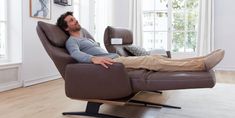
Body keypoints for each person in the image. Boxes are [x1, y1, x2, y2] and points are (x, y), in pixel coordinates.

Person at [56, 11, 224, 72]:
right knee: (152, 60)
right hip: (115, 63)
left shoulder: (85, 37)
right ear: (66, 28)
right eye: (71, 21)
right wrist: (93, 59)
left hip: (117, 59)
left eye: (74, 18)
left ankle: (201, 59)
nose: (75, 21)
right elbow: (75, 54)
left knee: (158, 59)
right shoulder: (72, 41)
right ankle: (201, 66)